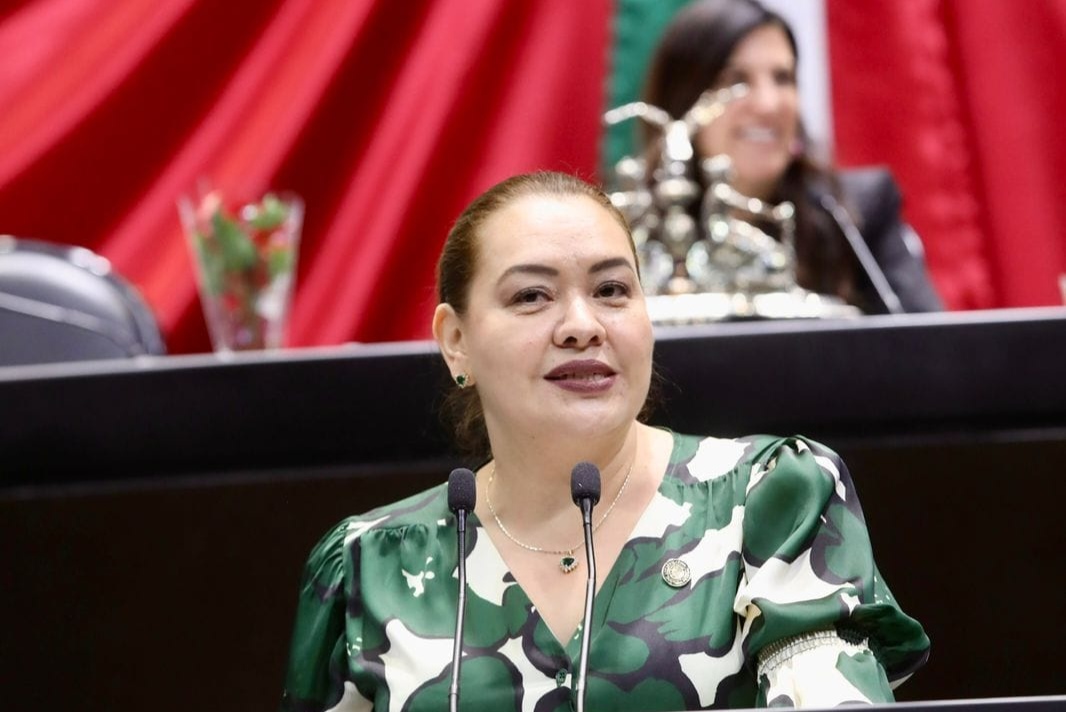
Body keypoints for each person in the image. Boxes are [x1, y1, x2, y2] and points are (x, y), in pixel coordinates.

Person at [279, 171, 929, 711]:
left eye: (612, 290)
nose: (582, 325)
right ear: (456, 341)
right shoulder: (370, 569)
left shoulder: (773, 498)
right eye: (532, 296)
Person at [640, 0, 943, 314]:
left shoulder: (854, 214)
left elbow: (928, 342)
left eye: (783, 78)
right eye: (736, 80)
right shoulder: (631, 226)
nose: (768, 104)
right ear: (682, 101)